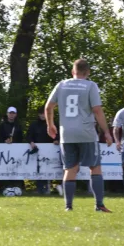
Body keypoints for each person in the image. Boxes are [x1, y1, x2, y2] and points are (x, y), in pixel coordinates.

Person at [45, 59, 113, 212]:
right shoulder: (90, 85)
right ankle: (99, 205)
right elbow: (97, 110)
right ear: (87, 72)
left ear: (72, 71)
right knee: (95, 167)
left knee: (70, 168)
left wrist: (50, 125)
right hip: (86, 132)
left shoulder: (61, 84)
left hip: (66, 133)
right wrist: (107, 132)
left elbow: (48, 106)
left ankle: (68, 206)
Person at [26, 106, 59, 194]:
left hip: (50, 151)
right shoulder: (34, 125)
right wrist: (31, 142)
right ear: (38, 114)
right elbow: (29, 136)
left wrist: (56, 140)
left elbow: (58, 135)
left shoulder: (52, 124)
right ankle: (39, 189)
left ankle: (48, 188)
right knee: (38, 169)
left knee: (49, 169)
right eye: (41, 113)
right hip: (37, 151)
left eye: (44, 113)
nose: (43, 115)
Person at [0, 106, 23, 190]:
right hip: (4, 151)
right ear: (7, 114)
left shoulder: (18, 125)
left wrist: (15, 142)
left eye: (13, 113)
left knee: (16, 168)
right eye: (10, 113)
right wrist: (5, 141)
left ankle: (17, 186)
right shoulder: (2, 125)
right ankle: (5, 186)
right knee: (5, 168)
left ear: (15, 115)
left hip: (16, 151)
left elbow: (21, 138)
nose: (11, 115)